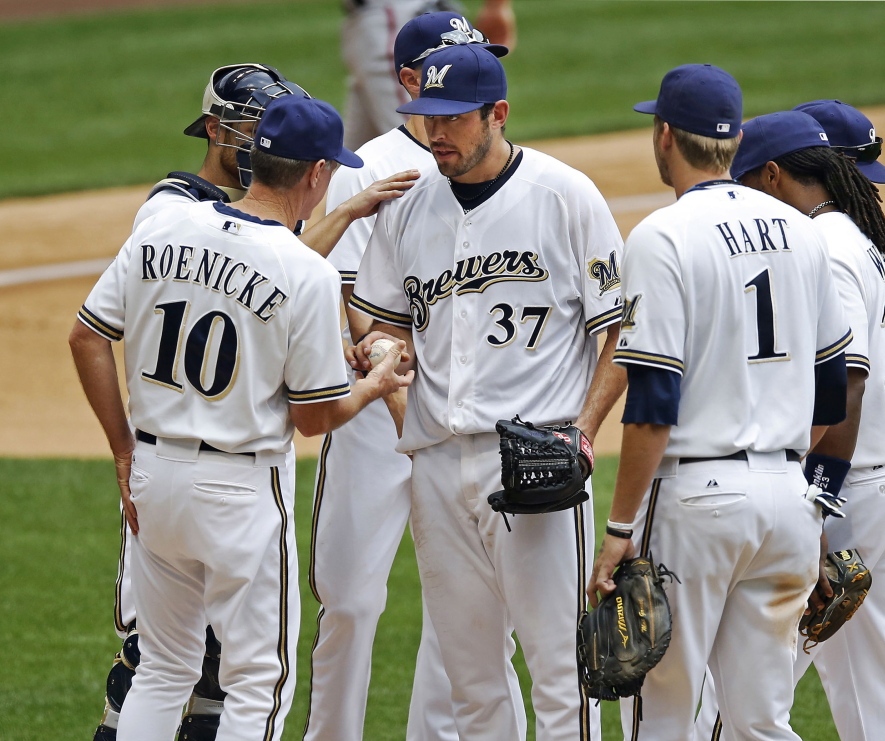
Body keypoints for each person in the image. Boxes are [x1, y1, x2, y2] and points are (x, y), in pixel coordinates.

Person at [69, 95, 412, 741]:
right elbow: (315, 418)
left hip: (152, 476)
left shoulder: (163, 228)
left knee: (163, 667)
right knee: (255, 680)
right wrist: (374, 383)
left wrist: (121, 448)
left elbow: (87, 336)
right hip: (238, 492)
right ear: (315, 173)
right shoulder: (303, 270)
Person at [349, 42, 626, 740]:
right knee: (470, 683)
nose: (435, 132)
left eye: (452, 118)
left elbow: (622, 329)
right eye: (425, 116)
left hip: (538, 464)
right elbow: (383, 319)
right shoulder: (409, 208)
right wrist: (385, 358)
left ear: (497, 114)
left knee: (564, 675)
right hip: (438, 468)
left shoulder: (564, 196)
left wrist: (583, 430)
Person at [694, 104, 885, 741]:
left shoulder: (821, 248)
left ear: (771, 177)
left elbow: (847, 384)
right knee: (877, 689)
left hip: (850, 490)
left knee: (740, 695)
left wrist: (816, 508)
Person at [587, 65, 854, 741]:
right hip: (786, 499)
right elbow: (832, 393)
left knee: (663, 715)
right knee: (760, 719)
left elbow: (652, 402)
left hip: (697, 501)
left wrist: (618, 531)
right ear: (733, 140)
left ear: (664, 135)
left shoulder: (662, 235)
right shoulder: (803, 233)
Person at [304, 11, 507, 741]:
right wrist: (404, 413)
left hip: (464, 423)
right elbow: (358, 310)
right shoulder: (364, 168)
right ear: (412, 80)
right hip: (373, 421)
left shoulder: (494, 166)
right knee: (351, 602)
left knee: (464, 612)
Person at [339, 0, 515, 149]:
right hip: (391, 14)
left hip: (393, 15)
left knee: (422, 145)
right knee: (355, 160)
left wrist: (496, 6)